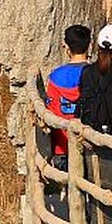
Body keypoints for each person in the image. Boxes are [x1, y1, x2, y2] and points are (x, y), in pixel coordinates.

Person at [44, 24, 91, 166]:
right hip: (88, 142)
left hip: (62, 145)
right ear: (89, 45)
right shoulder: (94, 75)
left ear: (66, 47)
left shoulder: (55, 76)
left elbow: (51, 109)